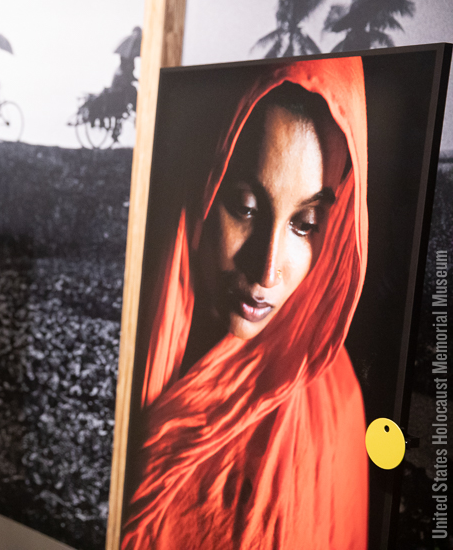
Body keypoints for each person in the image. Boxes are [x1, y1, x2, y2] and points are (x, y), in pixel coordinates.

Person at [121, 57, 369, 549]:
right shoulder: (130, 334)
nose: (267, 269)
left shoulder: (333, 408)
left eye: (306, 224)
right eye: (247, 208)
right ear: (205, 191)